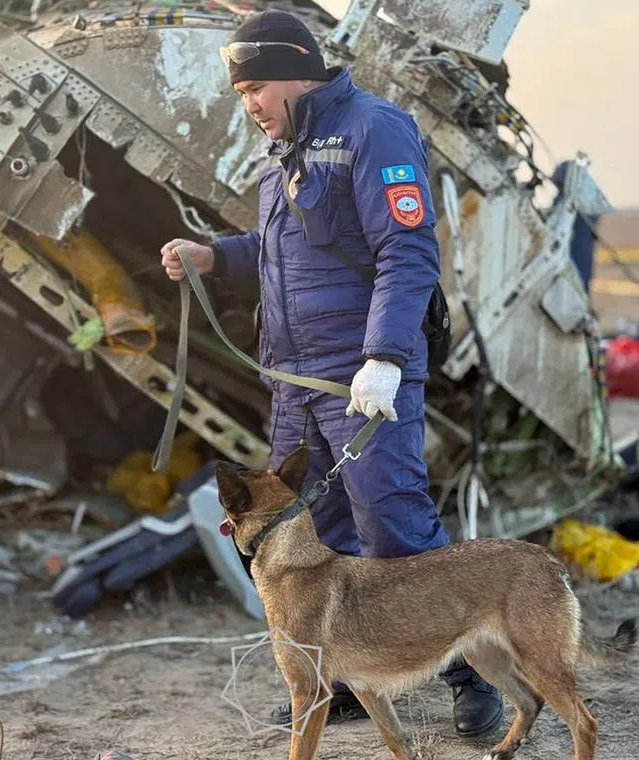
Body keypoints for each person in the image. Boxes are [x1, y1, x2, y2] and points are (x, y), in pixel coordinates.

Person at [158, 10, 503, 739]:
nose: (248, 104)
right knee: (319, 535)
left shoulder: (375, 130)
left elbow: (406, 252)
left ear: (295, 69)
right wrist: (214, 256)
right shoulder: (282, 150)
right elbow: (280, 250)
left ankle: (470, 677)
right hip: (295, 385)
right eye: (241, 92)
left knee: (394, 524)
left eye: (255, 87)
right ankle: (335, 683)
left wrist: (383, 357)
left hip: (360, 377)